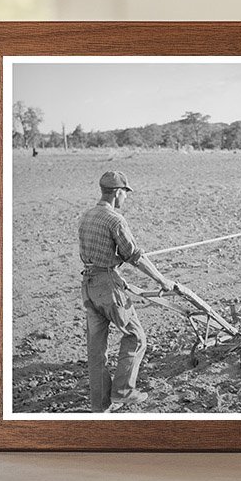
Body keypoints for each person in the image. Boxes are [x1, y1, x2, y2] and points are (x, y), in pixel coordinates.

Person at [77, 171, 176, 412]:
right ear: (117, 193)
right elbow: (134, 256)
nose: (125, 198)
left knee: (96, 351)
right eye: (125, 193)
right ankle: (123, 391)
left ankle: (100, 406)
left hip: (88, 286)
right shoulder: (115, 220)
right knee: (136, 336)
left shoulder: (86, 216)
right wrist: (161, 279)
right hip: (108, 286)